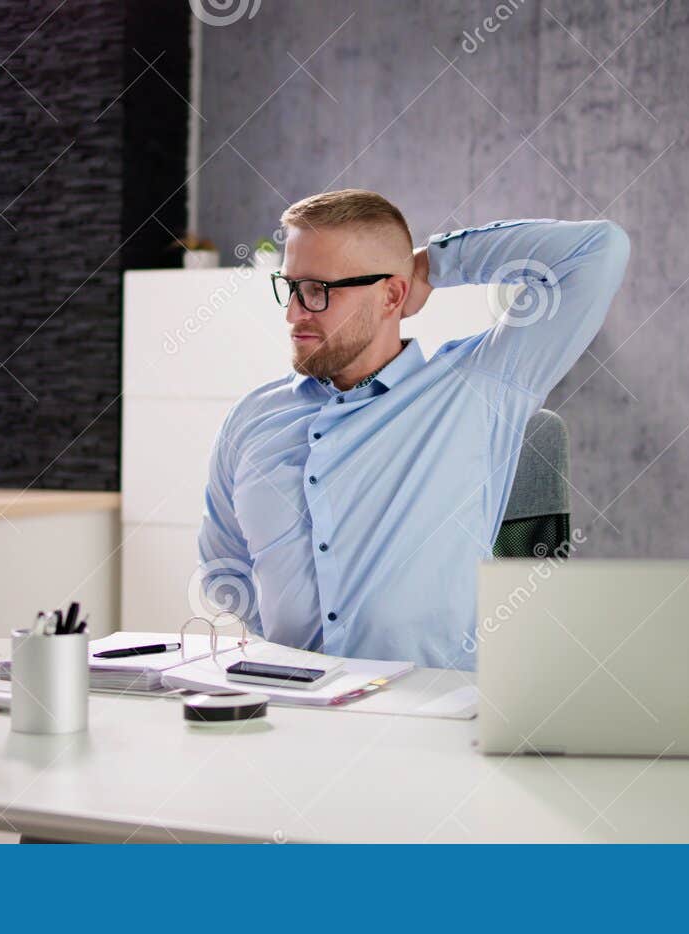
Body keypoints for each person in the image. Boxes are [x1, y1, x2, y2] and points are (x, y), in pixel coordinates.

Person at [197, 188, 630, 669]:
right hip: (293, 711)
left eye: (319, 291)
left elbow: (598, 251)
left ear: (392, 294)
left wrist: (432, 264)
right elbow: (223, 568)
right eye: (290, 286)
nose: (294, 312)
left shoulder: (479, 387)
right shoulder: (252, 420)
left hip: (427, 716)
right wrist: (285, 661)